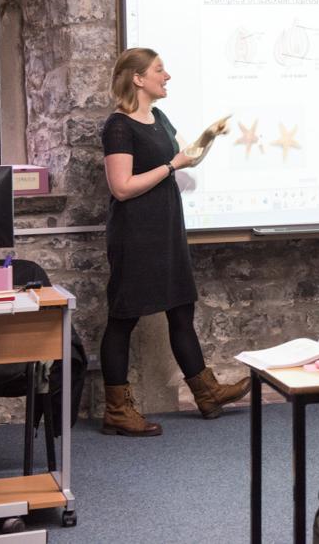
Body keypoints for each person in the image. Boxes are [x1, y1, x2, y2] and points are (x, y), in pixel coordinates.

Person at [100, 47, 244, 437]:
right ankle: (117, 410)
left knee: (181, 310)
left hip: (166, 228)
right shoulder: (118, 126)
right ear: (137, 78)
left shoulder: (159, 117)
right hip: (135, 234)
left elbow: (187, 158)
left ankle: (207, 393)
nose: (167, 77)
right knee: (123, 318)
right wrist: (169, 166)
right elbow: (122, 187)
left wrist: (209, 136)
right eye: (159, 70)